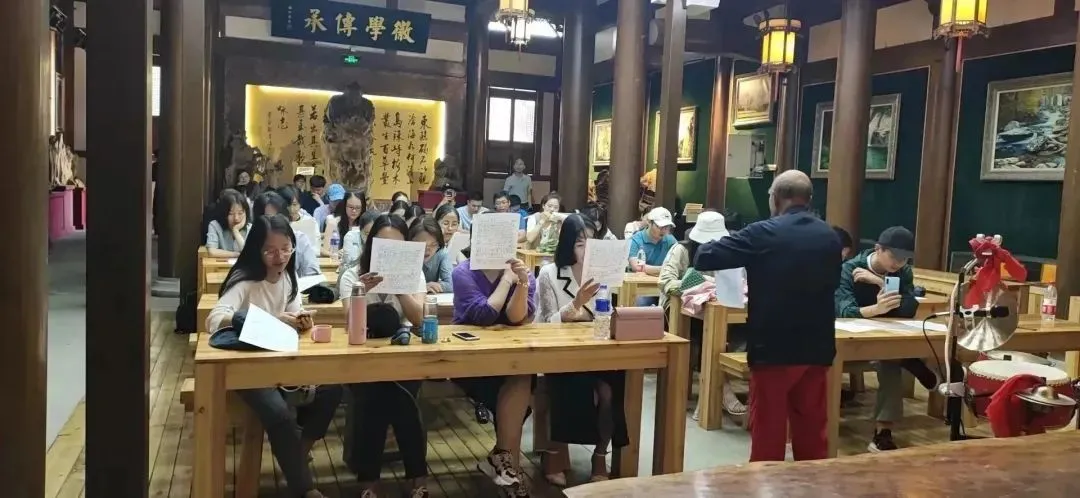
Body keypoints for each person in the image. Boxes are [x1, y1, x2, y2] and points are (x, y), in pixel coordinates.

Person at [693, 170, 841, 462]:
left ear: (776, 198)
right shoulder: (830, 236)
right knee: (813, 433)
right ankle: (814, 484)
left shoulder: (761, 233)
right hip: (818, 346)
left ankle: (764, 484)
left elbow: (705, 256)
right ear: (809, 199)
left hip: (774, 347)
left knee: (768, 435)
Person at [205, 214, 342, 498]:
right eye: (270, 251)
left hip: (281, 362)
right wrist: (266, 320)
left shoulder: (288, 277)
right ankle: (305, 488)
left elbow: (291, 315)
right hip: (248, 369)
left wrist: (301, 320)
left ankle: (297, 455)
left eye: (286, 249)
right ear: (256, 250)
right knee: (280, 414)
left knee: (332, 387)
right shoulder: (245, 281)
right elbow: (214, 320)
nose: (279, 257)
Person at [336, 215, 429, 498]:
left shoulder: (415, 275)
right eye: (384, 245)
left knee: (399, 396)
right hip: (363, 359)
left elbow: (419, 320)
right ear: (371, 245)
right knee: (376, 398)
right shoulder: (352, 276)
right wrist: (362, 291)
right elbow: (349, 324)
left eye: (398, 246)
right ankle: (392, 481)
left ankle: (399, 481)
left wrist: (399, 288)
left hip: (403, 357)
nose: (391, 252)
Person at [536, 214, 628, 485]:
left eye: (590, 242)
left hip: (597, 351)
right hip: (559, 352)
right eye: (579, 244)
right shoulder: (549, 274)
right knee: (567, 383)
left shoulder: (602, 275)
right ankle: (554, 453)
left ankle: (600, 456)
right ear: (567, 245)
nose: (587, 249)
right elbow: (548, 320)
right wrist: (576, 304)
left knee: (611, 390)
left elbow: (604, 315)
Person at [835, 226, 937, 452]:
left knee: (890, 358)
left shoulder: (903, 272)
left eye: (904, 259)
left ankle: (883, 433)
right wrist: (876, 309)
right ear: (878, 249)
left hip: (886, 336)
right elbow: (844, 311)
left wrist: (880, 282)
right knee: (890, 360)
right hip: (852, 339)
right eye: (894, 256)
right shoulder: (850, 269)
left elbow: (909, 308)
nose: (898, 263)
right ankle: (909, 362)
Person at [451, 230, 536, 497]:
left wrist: (521, 282)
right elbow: (485, 315)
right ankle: (509, 467)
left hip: (510, 357)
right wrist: (507, 280)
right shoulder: (463, 272)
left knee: (522, 373)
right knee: (516, 391)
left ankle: (506, 466)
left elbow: (517, 317)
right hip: (467, 360)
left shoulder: (523, 272)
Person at [658, 210, 747, 418]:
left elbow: (739, 279)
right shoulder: (681, 250)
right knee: (705, 332)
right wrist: (695, 283)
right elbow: (665, 282)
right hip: (680, 310)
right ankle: (718, 392)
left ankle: (711, 394)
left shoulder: (727, 253)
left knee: (733, 329)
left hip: (716, 310)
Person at [253, 191, 320, 277]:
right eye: (268, 218)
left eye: (278, 216)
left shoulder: (299, 238)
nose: (275, 222)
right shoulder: (253, 240)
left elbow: (313, 274)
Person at [627, 207, 678, 278]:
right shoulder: (635, 240)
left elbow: (678, 265)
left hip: (662, 281)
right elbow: (636, 267)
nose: (664, 231)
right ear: (649, 222)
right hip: (639, 281)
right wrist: (664, 269)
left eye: (667, 227)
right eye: (660, 226)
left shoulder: (670, 240)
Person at [411, 216, 453, 293]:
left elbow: (452, 284)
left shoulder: (441, 252)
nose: (427, 249)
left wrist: (439, 285)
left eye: (433, 244)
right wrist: (422, 287)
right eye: (422, 244)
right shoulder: (404, 253)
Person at [206, 189, 252, 258]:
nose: (236, 218)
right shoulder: (214, 225)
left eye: (240, 213)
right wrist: (237, 255)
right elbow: (212, 251)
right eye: (231, 214)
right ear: (224, 214)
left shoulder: (251, 228)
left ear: (246, 213)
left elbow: (249, 254)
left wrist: (236, 231)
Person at [322, 191, 366, 256]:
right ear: (345, 206)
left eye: (358, 208)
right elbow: (324, 250)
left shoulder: (365, 224)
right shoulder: (333, 223)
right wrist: (335, 253)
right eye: (351, 207)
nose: (354, 211)